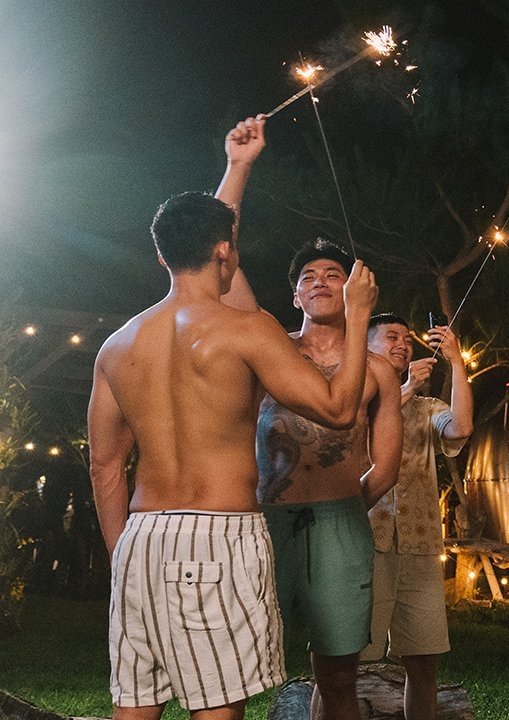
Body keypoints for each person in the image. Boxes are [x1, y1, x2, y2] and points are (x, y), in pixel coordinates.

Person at [89, 115, 379, 720]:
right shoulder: (245, 330)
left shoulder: (117, 345)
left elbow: (104, 465)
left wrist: (124, 558)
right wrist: (358, 317)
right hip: (216, 535)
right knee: (217, 710)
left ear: (162, 254)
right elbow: (338, 408)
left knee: (134, 709)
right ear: (225, 252)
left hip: (139, 538)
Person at [256, 240, 404, 720]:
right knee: (243, 663)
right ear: (295, 296)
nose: (319, 280)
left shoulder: (378, 371)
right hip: (264, 520)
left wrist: (341, 507)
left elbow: (386, 466)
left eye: (333, 274)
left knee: (339, 675)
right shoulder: (267, 354)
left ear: (356, 290)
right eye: (308, 277)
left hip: (342, 521)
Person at [359, 313, 474, 720]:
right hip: (362, 543)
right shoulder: (351, 399)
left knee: (424, 662)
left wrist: (457, 362)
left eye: (408, 340)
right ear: (365, 347)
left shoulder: (426, 408)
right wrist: (404, 389)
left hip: (420, 544)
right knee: (340, 665)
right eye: (391, 337)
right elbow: (358, 428)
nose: (403, 345)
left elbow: (461, 428)